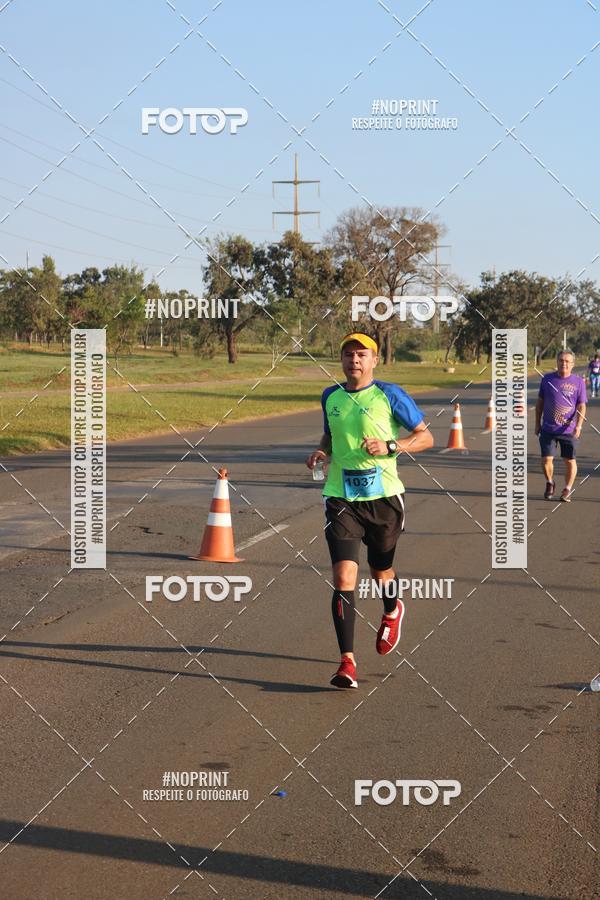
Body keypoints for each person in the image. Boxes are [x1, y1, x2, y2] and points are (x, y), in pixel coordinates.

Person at [305, 333, 434, 689]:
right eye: (348, 354)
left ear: (374, 360)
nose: (354, 361)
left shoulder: (390, 395)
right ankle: (347, 662)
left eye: (361, 354)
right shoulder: (330, 396)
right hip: (340, 497)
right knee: (344, 577)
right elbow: (330, 435)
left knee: (381, 572)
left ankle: (392, 610)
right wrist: (322, 451)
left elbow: (426, 437)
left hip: (384, 500)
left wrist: (391, 444)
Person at [535, 350, 586, 503]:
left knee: (570, 460)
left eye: (567, 361)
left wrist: (579, 426)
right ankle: (550, 482)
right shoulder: (547, 379)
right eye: (561, 360)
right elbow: (540, 403)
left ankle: (567, 489)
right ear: (557, 362)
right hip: (548, 429)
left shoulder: (578, 382)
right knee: (546, 460)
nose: (564, 363)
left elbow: (582, 406)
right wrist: (537, 423)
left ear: (573, 364)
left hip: (568, 430)